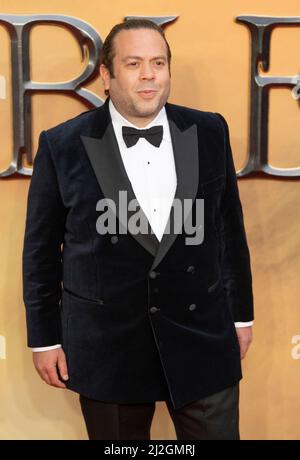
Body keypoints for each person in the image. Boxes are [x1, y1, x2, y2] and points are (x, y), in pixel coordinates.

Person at [22, 18, 254, 440]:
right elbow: (40, 253)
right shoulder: (62, 145)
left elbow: (227, 231)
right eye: (133, 63)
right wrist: (44, 339)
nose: (149, 75)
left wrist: (240, 315)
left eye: (158, 62)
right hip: (106, 343)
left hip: (202, 331)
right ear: (107, 76)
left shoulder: (209, 130)